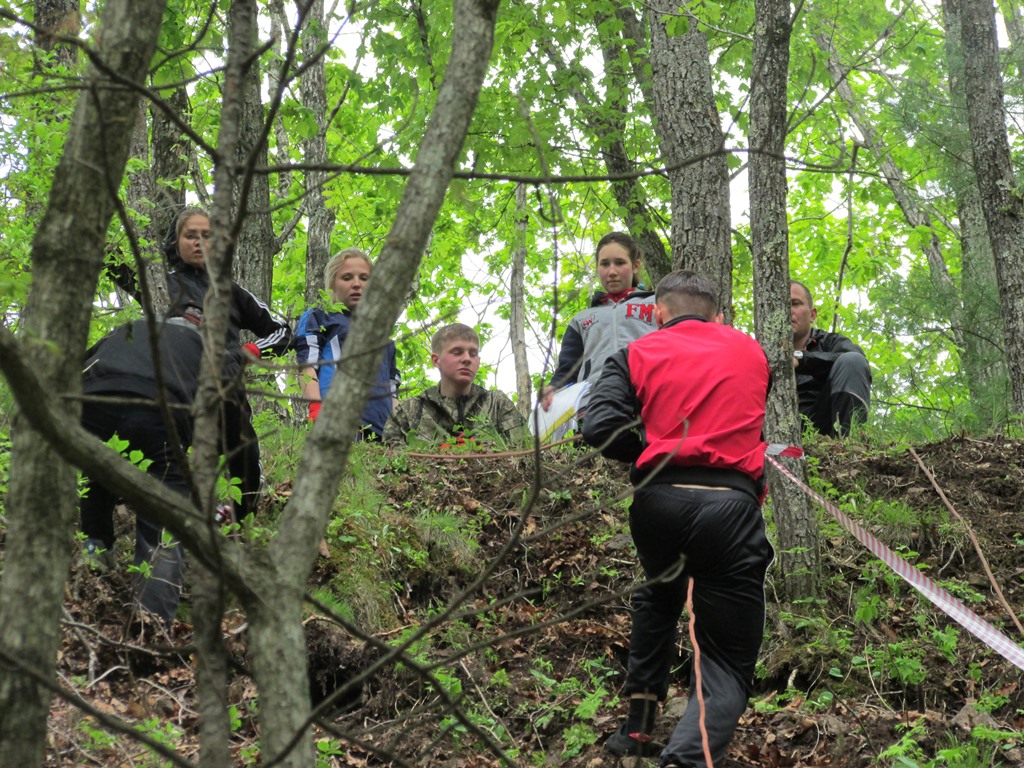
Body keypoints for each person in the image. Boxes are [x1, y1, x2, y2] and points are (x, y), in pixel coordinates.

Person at [582, 270, 774, 766]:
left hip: (659, 502)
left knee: (659, 594)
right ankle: (686, 757)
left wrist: (649, 447)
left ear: (659, 313)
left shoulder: (636, 353)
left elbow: (599, 426)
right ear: (718, 314)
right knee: (728, 659)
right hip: (729, 506)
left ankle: (639, 730)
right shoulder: (752, 352)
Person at [110, 207, 292, 519]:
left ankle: (238, 520)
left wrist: (250, 351)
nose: (199, 242)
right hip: (171, 391)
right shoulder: (158, 284)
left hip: (225, 392)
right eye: (190, 235)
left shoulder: (230, 291)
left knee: (244, 457)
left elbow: (283, 331)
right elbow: (114, 266)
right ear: (175, 242)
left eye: (207, 236)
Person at [79, 305, 214, 626]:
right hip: (158, 408)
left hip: (91, 398)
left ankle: (92, 562)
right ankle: (150, 627)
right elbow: (234, 423)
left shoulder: (130, 327)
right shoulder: (209, 348)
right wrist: (247, 497)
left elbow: (78, 364)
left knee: (98, 470)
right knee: (166, 505)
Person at [539, 232, 656, 419]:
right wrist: (554, 388)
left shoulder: (656, 303)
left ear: (635, 265)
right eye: (604, 264)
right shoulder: (582, 319)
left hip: (649, 396)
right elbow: (568, 367)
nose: (612, 271)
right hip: (595, 403)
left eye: (620, 262)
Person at [293, 247, 401, 440]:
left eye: (364, 278)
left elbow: (392, 391)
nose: (357, 284)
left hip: (384, 433)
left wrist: (402, 428)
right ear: (333, 283)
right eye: (347, 277)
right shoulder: (320, 317)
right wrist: (317, 409)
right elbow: (307, 366)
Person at [383, 323, 525, 447]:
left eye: (473, 353)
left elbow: (524, 452)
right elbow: (392, 462)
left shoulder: (497, 405)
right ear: (436, 360)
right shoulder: (409, 411)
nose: (467, 359)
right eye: (457, 352)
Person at [790, 280, 872, 437]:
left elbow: (856, 361)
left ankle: (849, 444)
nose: (788, 310)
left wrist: (801, 359)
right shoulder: (759, 351)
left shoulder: (830, 342)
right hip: (773, 429)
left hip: (826, 422)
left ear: (812, 315)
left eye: (795, 303)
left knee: (853, 361)